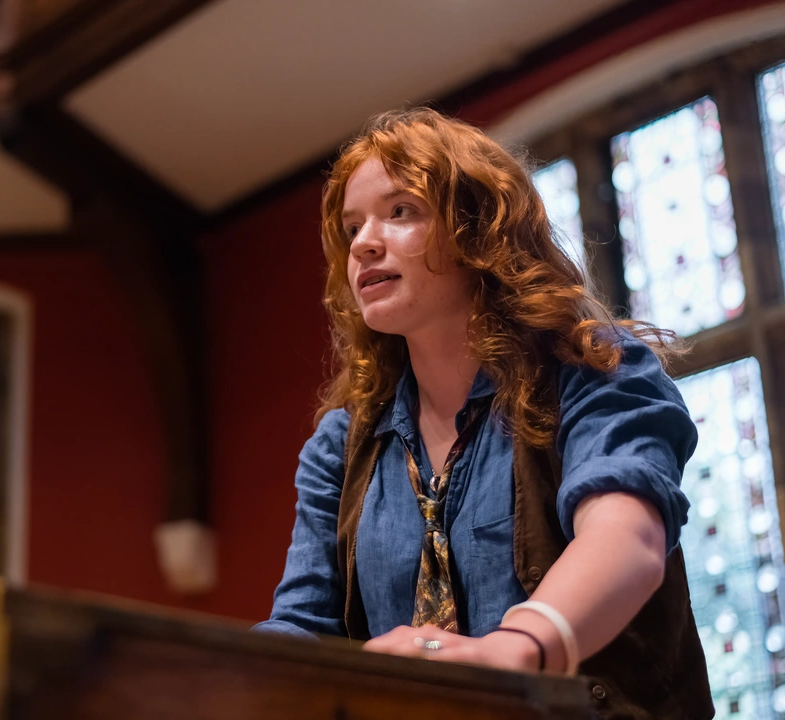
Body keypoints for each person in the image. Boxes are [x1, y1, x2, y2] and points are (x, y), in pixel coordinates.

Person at [253, 107, 713, 719]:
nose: (362, 242)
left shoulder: (596, 370)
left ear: (480, 233)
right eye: (351, 226)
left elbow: (626, 535)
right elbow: (302, 627)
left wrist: (517, 648)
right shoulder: (342, 443)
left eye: (400, 211)